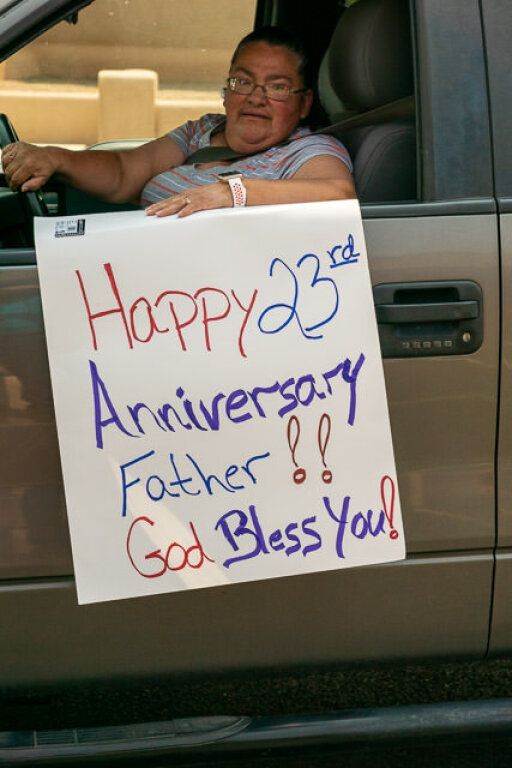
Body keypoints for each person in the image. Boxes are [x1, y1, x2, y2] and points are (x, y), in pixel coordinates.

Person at [2, 27, 356, 218]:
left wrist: (230, 192)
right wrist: (55, 157)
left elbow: (336, 193)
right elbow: (125, 172)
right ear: (226, 88)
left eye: (277, 87)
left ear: (304, 102)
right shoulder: (201, 131)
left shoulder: (309, 149)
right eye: (243, 81)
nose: (256, 97)